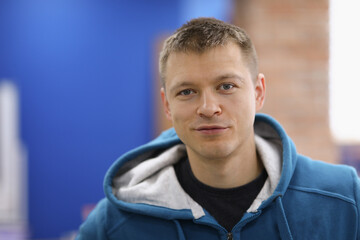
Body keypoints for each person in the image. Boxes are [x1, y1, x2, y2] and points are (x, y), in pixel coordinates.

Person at [76, 17, 360, 240]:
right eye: (187, 91)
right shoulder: (114, 223)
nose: (208, 107)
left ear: (258, 92)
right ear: (166, 104)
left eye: (226, 86)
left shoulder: (344, 200)